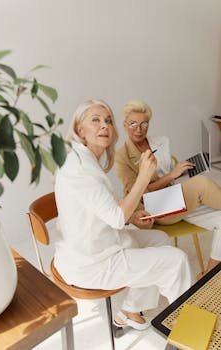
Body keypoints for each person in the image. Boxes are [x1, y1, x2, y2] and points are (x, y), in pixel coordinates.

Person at [54, 99, 192, 330]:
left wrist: (131, 217)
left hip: (94, 245)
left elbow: (101, 206)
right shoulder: (81, 169)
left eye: (108, 121)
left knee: (160, 240)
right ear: (80, 130)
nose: (104, 126)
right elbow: (116, 217)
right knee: (176, 261)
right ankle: (188, 332)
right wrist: (144, 176)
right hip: (92, 262)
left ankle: (130, 310)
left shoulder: (83, 159)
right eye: (95, 120)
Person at [115, 100, 221, 276]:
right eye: (133, 123)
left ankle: (209, 275)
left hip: (176, 197)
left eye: (144, 123)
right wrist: (171, 176)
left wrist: (178, 171)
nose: (139, 129)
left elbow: (167, 173)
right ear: (125, 125)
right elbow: (138, 193)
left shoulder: (159, 142)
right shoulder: (122, 156)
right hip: (155, 206)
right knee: (202, 183)